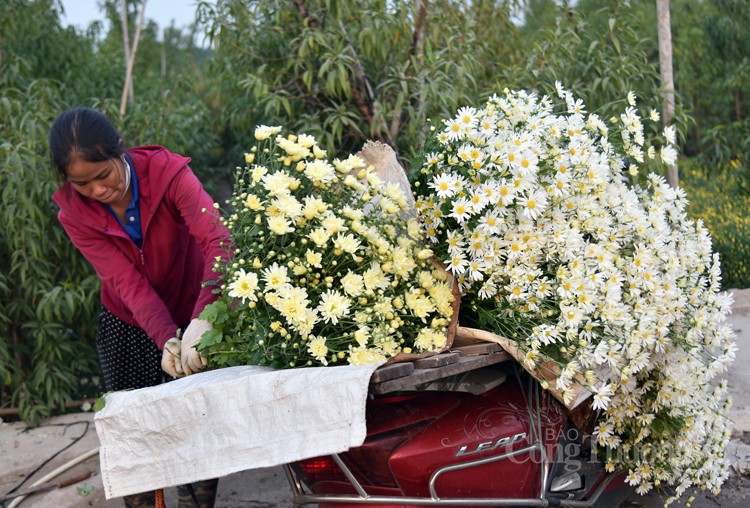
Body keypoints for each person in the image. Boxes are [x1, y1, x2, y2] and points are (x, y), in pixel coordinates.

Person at [49, 107, 228, 508]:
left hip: (195, 306)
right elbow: (128, 284)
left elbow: (219, 243)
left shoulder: (170, 175)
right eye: (82, 183)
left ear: (120, 151)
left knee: (197, 421)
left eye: (103, 175)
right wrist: (166, 337)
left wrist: (203, 317)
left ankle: (196, 501)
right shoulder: (74, 214)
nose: (97, 190)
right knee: (137, 430)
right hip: (128, 321)